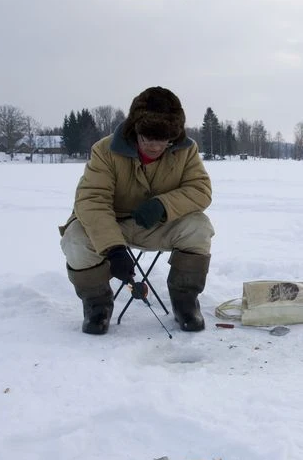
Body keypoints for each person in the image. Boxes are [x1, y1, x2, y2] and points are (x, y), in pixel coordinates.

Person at [59, 87, 214, 334]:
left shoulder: (186, 149)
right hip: (113, 225)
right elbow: (91, 200)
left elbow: (200, 190)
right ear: (135, 130)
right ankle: (97, 304)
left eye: (163, 141)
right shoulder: (105, 150)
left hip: (158, 225)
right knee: (75, 239)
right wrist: (113, 247)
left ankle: (185, 301)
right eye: (147, 139)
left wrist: (163, 205)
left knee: (199, 227)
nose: (154, 147)